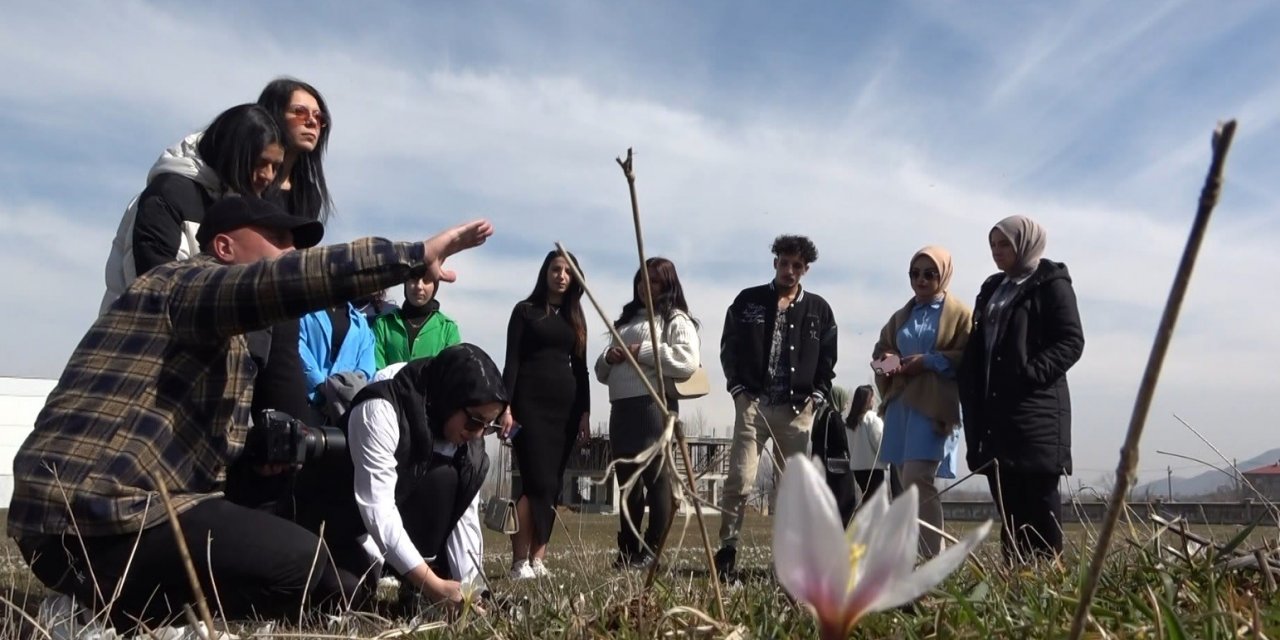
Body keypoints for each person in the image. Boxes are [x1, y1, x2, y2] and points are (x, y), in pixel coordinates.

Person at [9, 195, 493, 631]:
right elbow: (287, 282)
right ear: (224, 246)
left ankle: (117, 604)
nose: (291, 252)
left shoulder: (230, 343)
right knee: (306, 568)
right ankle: (112, 607)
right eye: (279, 238)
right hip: (94, 515)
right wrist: (410, 258)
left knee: (338, 585)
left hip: (107, 517)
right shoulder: (186, 282)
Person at [291, 344, 505, 608]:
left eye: (489, 426)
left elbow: (465, 516)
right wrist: (432, 585)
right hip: (344, 525)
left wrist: (473, 592)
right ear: (451, 397)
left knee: (446, 476)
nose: (479, 433)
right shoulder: (380, 410)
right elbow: (377, 510)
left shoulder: (467, 436)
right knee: (343, 594)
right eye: (475, 422)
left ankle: (416, 586)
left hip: (403, 528)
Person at [958, 215, 1084, 562]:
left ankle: (1050, 588)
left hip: (1036, 415)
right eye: (993, 245)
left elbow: (1071, 341)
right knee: (1009, 505)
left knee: (1039, 505)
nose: (997, 252)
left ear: (1025, 244)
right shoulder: (993, 287)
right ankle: (1016, 583)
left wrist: (1028, 374)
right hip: (995, 414)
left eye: (1005, 245)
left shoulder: (1051, 283)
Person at [715, 234, 837, 578]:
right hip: (753, 404)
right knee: (740, 478)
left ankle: (785, 560)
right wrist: (737, 389)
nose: (790, 270)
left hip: (797, 410)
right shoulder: (747, 301)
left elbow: (828, 359)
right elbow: (729, 347)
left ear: (806, 270)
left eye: (797, 265)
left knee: (790, 489)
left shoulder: (819, 310)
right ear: (775, 263)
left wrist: (817, 397)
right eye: (784, 263)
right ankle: (727, 549)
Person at [100, 103, 284, 312]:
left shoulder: (238, 202)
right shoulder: (168, 195)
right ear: (235, 152)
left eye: (276, 167)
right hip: (144, 338)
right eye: (261, 162)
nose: (268, 175)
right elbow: (153, 288)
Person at [594, 258, 701, 568]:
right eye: (641, 280)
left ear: (667, 284)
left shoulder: (674, 319)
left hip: (653, 406)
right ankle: (628, 549)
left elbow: (686, 362)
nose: (645, 287)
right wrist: (610, 358)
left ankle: (653, 547)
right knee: (627, 484)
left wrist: (641, 351)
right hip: (622, 408)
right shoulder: (625, 322)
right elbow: (601, 373)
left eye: (653, 281)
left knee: (657, 481)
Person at [872, 246, 972, 558]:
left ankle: (934, 558)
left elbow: (967, 358)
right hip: (901, 405)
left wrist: (928, 362)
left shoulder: (959, 315)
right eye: (915, 274)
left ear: (944, 275)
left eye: (930, 274)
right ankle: (913, 557)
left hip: (934, 406)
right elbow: (878, 363)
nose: (921, 280)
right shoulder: (902, 316)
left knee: (918, 478)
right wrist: (892, 362)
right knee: (905, 484)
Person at [498, 250, 591, 580]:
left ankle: (539, 560)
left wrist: (585, 414)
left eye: (568, 271)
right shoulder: (524, 312)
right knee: (534, 483)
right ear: (545, 272)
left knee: (550, 487)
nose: (561, 275)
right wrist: (505, 407)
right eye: (556, 269)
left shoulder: (575, 320)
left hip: (564, 413)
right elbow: (512, 363)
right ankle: (518, 562)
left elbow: (581, 372)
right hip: (529, 408)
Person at [256, 77, 334, 223]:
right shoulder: (243, 179)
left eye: (318, 117)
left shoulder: (308, 194)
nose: (311, 122)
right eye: (299, 112)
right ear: (274, 115)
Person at [298, 302, 377, 420]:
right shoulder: (305, 315)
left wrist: (346, 389)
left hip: (346, 407)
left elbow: (366, 367)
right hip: (310, 401)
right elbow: (299, 347)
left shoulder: (360, 322)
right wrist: (321, 385)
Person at [373, 274, 461, 369]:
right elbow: (377, 373)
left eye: (426, 280)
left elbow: (451, 374)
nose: (419, 286)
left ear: (435, 286)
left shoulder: (448, 329)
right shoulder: (383, 324)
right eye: (413, 279)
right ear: (405, 283)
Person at [809, 386, 857, 526]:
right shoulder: (834, 416)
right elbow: (842, 442)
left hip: (824, 468)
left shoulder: (822, 414)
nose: (847, 404)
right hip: (837, 471)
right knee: (844, 506)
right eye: (846, 401)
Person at [845, 385, 889, 505]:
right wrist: (888, 460)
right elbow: (879, 443)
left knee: (868, 499)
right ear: (868, 399)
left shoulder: (850, 422)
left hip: (857, 468)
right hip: (873, 468)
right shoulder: (872, 418)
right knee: (876, 503)